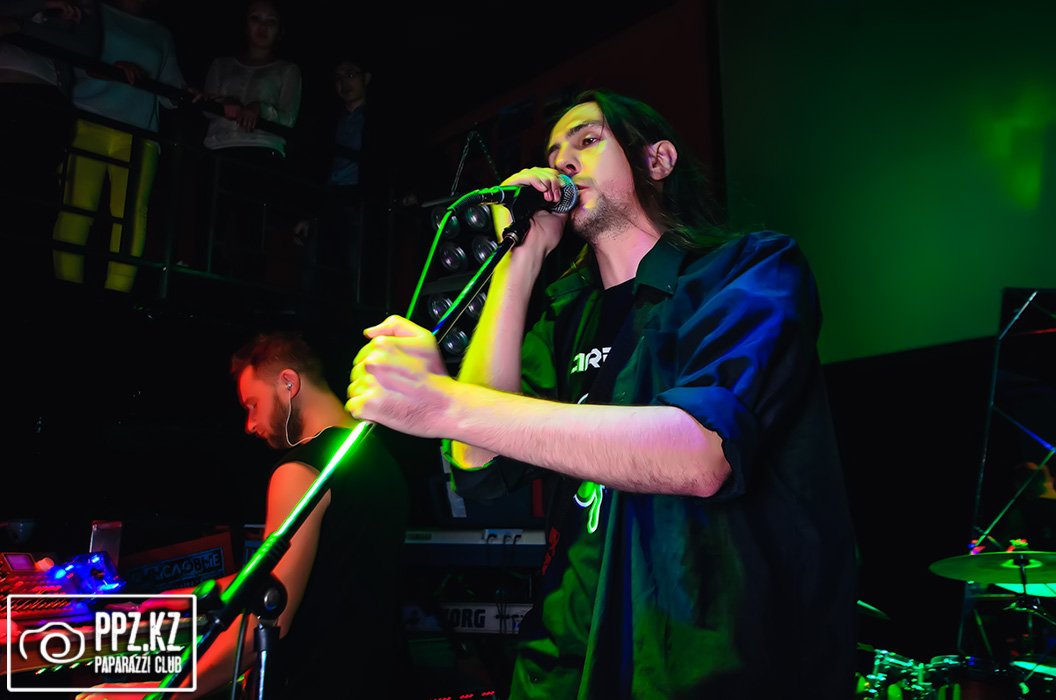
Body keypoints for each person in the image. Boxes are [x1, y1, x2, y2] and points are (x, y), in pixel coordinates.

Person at [346, 89, 858, 698]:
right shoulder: (565, 317)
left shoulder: (749, 270)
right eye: (552, 154)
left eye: (587, 141)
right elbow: (479, 463)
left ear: (657, 160)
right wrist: (520, 258)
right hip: (567, 658)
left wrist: (443, 402)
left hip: (698, 665)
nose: (562, 162)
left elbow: (699, 455)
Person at [77, 330, 411, 699]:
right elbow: (321, 575)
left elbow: (269, 617)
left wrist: (162, 692)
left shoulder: (300, 471)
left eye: (253, 404)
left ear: (288, 383)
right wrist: (191, 597)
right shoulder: (380, 459)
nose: (249, 425)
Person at [50, 0, 189, 293]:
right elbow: (70, 60)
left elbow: (171, 93)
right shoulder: (93, 11)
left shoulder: (161, 34)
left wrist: (191, 95)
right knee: (77, 206)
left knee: (131, 214)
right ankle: (66, 290)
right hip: (89, 119)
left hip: (139, 133)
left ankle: (118, 294)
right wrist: (110, 70)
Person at [201, 0, 302, 283]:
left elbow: (288, 118)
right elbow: (206, 108)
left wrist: (261, 109)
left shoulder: (287, 70)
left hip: (261, 154)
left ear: (280, 30)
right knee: (211, 227)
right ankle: (204, 287)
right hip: (218, 150)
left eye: (271, 21)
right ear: (245, 24)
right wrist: (225, 103)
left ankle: (249, 295)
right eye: (256, 18)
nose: (262, 27)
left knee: (252, 231)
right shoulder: (221, 64)